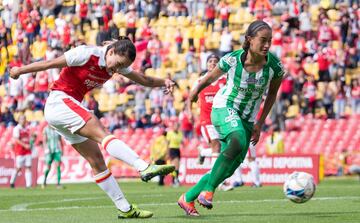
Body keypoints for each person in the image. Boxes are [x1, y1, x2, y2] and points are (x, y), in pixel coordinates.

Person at [10, 36, 176, 219]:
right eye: (118, 64)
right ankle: (143, 166)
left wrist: (164, 82)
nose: (117, 70)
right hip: (60, 101)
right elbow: (50, 64)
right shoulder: (86, 53)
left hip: (64, 109)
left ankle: (125, 208)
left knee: (96, 160)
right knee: (103, 133)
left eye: (122, 67)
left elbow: (144, 79)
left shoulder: (116, 63)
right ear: (111, 51)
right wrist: (19, 70)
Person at [178, 20, 284, 216]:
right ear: (249, 40)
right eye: (263, 40)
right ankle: (208, 192)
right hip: (224, 107)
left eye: (270, 40)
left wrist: (259, 123)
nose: (267, 45)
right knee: (237, 139)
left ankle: (188, 198)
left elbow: (271, 95)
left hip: (248, 119)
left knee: (227, 169)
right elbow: (209, 78)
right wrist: (193, 94)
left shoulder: (275, 67)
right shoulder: (232, 60)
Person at [9, 115, 33, 188]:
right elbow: (16, 139)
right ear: (19, 120)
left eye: (24, 119)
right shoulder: (17, 128)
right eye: (22, 119)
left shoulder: (27, 128)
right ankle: (12, 182)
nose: (23, 120)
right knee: (18, 168)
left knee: (28, 167)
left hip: (28, 151)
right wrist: (24, 145)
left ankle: (28, 185)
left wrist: (31, 142)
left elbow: (29, 138)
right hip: (20, 151)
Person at [42, 124, 64, 189]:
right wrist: (46, 149)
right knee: (48, 167)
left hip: (57, 150)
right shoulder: (46, 129)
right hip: (49, 151)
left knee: (58, 166)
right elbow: (44, 141)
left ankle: (58, 183)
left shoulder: (57, 129)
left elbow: (59, 140)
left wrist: (62, 150)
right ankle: (44, 181)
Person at [166, 122, 183, 187]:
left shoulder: (180, 133)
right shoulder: (170, 133)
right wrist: (167, 152)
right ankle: (175, 180)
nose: (176, 127)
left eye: (177, 126)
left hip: (177, 149)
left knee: (177, 166)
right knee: (175, 164)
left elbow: (181, 141)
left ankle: (174, 180)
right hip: (172, 149)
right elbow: (167, 143)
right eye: (175, 126)